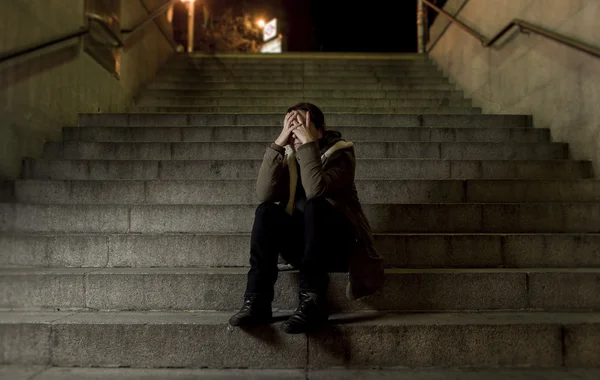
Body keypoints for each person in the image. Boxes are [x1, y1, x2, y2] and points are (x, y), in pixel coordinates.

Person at [228, 103, 384, 334]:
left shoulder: (341, 153)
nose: (295, 131)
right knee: (266, 211)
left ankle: (313, 302)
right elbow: (264, 193)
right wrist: (280, 142)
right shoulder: (289, 157)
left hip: (338, 247)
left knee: (315, 206)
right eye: (291, 125)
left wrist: (308, 144)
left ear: (320, 130)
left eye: (301, 124)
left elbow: (315, 190)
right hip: (302, 248)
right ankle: (257, 301)